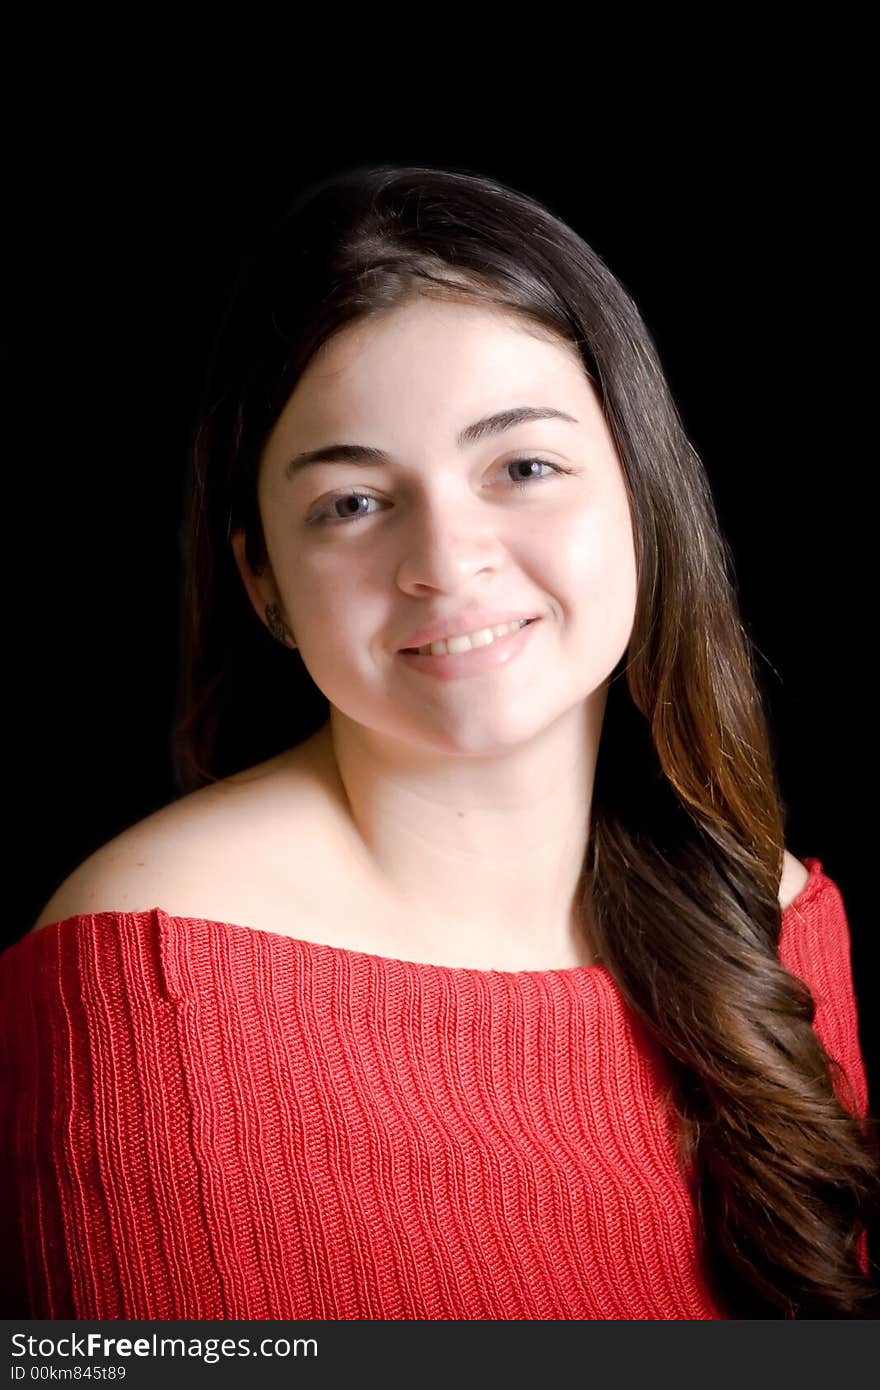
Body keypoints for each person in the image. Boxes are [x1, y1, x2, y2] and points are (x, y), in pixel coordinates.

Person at [1, 163, 878, 1320]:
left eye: (522, 467)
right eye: (353, 502)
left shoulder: (765, 907)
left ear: (641, 493)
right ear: (261, 577)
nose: (446, 561)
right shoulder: (149, 985)